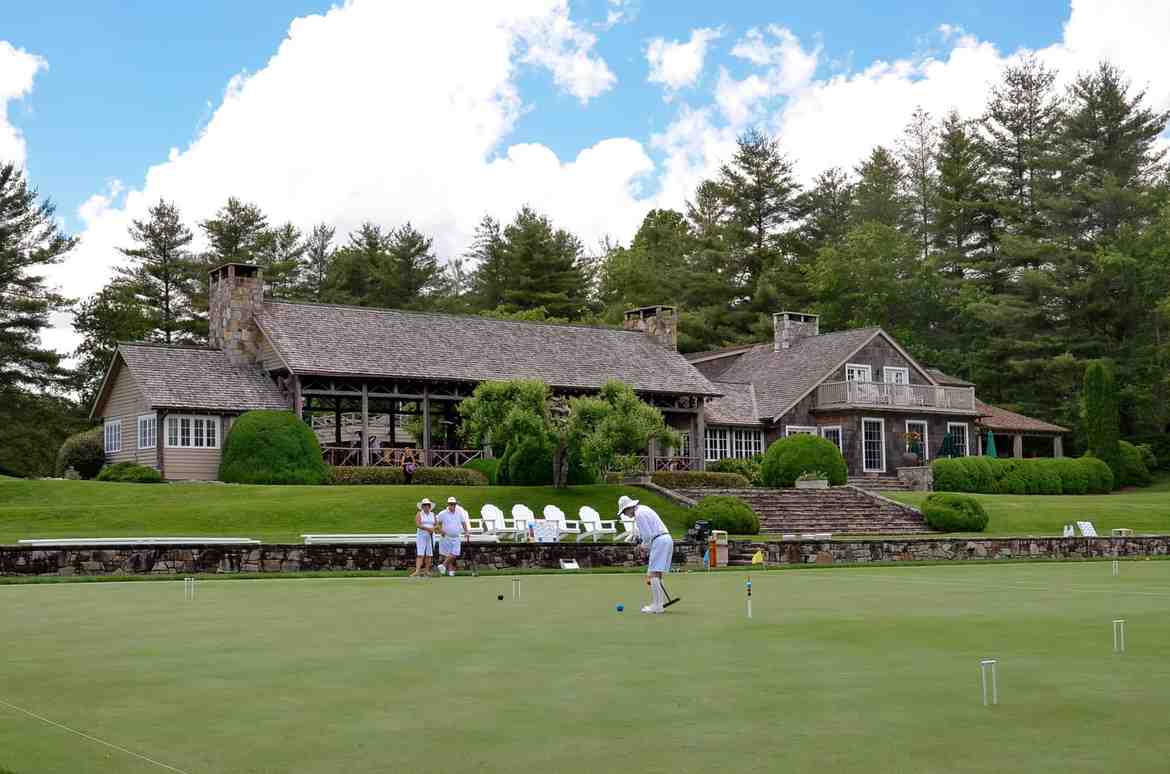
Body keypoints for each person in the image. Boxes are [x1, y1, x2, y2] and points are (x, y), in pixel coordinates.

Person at [618, 495, 673, 614]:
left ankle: (657, 606)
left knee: (653, 572)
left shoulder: (639, 515)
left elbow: (647, 535)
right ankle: (659, 604)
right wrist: (646, 545)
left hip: (659, 541)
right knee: (658, 572)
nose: (625, 514)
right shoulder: (644, 508)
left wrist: (642, 546)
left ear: (629, 508)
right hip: (667, 539)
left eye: (624, 511)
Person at [436, 496, 471, 577]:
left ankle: (443, 566)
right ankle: (450, 571)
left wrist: (466, 532)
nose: (452, 505)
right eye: (450, 504)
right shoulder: (442, 513)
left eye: (453, 504)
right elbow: (437, 524)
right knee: (448, 555)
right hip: (446, 536)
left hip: (456, 536)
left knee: (455, 553)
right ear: (448, 504)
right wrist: (441, 531)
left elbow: (463, 523)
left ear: (455, 504)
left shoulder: (459, 513)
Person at [412, 498, 436, 578]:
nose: (426, 507)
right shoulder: (419, 514)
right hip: (421, 536)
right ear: (422, 506)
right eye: (424, 505)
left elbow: (436, 524)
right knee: (420, 554)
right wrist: (427, 529)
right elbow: (418, 524)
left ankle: (427, 571)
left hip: (431, 536)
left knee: (429, 554)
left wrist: (433, 529)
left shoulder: (433, 514)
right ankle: (417, 571)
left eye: (427, 505)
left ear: (430, 506)